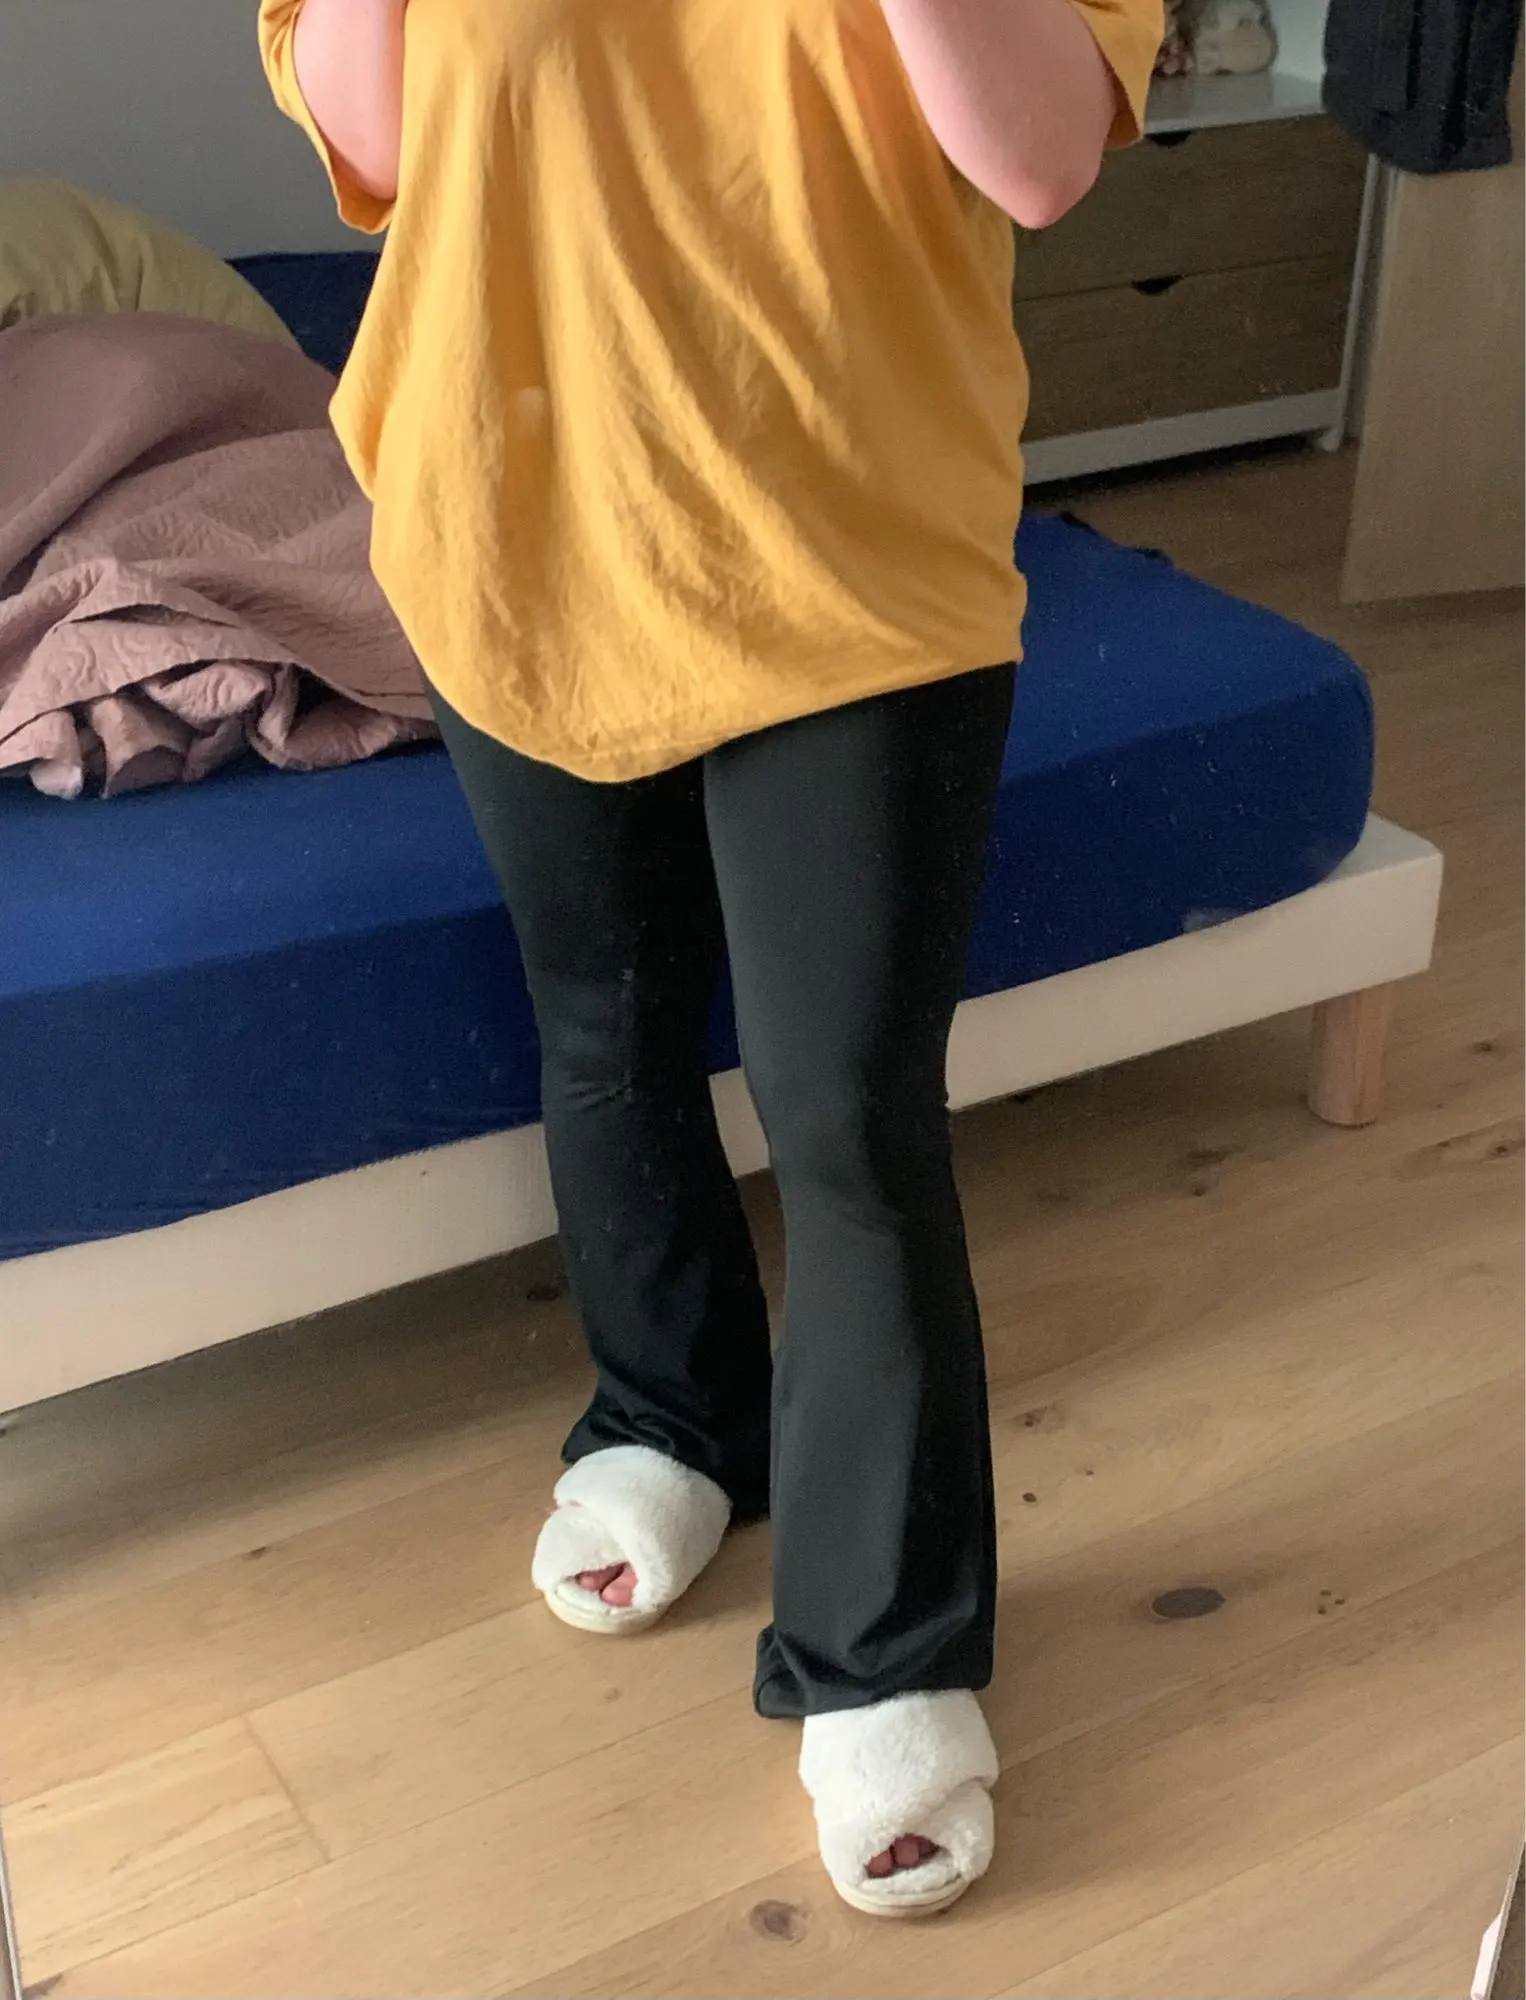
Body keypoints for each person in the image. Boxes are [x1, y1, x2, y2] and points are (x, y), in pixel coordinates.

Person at [259, 0, 1161, 1917]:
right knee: (602, 1025)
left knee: (849, 1115)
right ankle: (669, 1423)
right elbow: (381, 143)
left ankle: (883, 1647)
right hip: (512, 518)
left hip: (851, 549)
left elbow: (1034, 159)